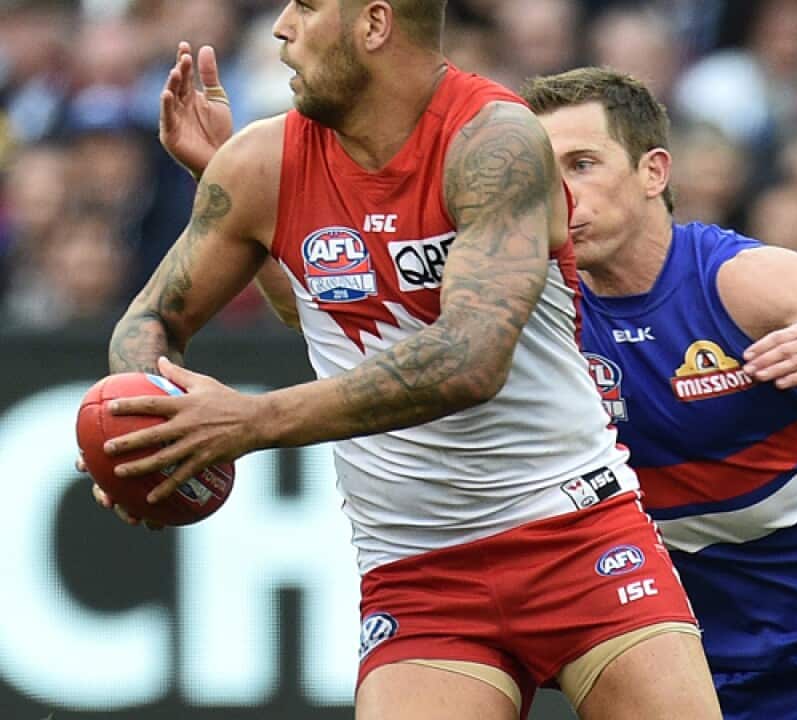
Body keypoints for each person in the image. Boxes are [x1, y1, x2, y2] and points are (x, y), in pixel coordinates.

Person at [158, 49, 797, 720]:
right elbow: (325, 324)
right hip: (716, 671)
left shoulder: (738, 283)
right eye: (542, 165)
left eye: (583, 163)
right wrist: (236, 191)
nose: (558, 190)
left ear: (653, 170)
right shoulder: (511, 305)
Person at [83, 4, 722, 720]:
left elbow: (468, 361)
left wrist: (249, 421)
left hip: (575, 530)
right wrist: (141, 430)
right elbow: (153, 320)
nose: (281, 27)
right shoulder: (261, 162)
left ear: (375, 23)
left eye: (307, 5)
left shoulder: (494, 140)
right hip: (419, 573)